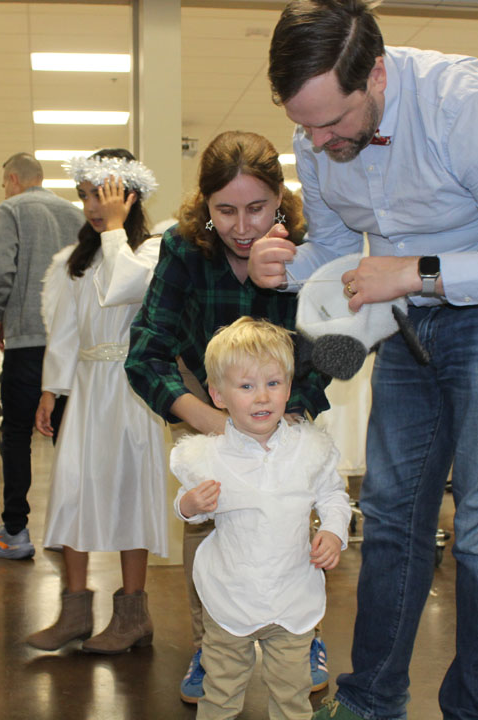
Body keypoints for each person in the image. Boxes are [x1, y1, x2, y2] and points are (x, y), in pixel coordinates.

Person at [249, 3, 478, 718]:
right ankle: (372, 700)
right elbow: (335, 250)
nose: (318, 142)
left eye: (331, 123)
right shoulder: (316, 130)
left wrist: (416, 272)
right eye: (305, 127)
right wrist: (281, 265)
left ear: (375, 74)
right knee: (390, 516)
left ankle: (473, 711)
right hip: (408, 321)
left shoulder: (463, 103)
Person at [125, 130, 333, 703]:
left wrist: (291, 413)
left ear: (280, 199)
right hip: (209, 396)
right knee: (210, 513)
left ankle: (301, 633)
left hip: (283, 395)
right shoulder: (184, 248)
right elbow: (146, 352)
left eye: (257, 208)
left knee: (291, 505)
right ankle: (212, 643)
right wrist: (213, 423)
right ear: (205, 204)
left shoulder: (306, 246)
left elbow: (329, 345)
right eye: (225, 211)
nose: (242, 227)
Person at [172, 317, 351, 720]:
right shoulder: (208, 455)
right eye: (247, 386)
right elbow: (185, 507)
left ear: (288, 388)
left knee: (293, 695)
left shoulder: (309, 449)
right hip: (229, 597)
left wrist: (334, 532)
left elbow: (332, 495)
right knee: (220, 693)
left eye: (273, 383)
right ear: (218, 395)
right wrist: (190, 505)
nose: (262, 397)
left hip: (292, 595)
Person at [26, 149, 167, 654]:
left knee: (130, 491)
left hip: (130, 388)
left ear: (130, 197)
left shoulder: (152, 250)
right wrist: (52, 389)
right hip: (87, 388)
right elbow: (66, 329)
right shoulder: (75, 260)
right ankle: (75, 612)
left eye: (102, 195)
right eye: (85, 195)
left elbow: (124, 286)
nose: (91, 206)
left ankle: (132, 615)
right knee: (73, 489)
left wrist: (114, 230)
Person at [0, 152, 81, 560]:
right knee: (67, 437)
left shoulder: (9, 210)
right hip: (69, 345)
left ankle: (15, 531)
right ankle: (67, 531)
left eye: (4, 184)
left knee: (18, 435)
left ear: (13, 179)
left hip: (26, 339)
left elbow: (0, 270)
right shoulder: (76, 215)